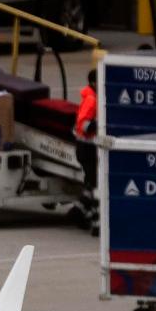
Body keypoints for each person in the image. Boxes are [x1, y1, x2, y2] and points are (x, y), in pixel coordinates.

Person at [72, 78, 102, 228]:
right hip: (87, 148)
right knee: (94, 184)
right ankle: (90, 218)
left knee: (91, 184)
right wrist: (102, 124)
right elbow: (83, 124)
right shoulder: (91, 99)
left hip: (86, 147)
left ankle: (80, 212)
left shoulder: (92, 97)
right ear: (94, 82)